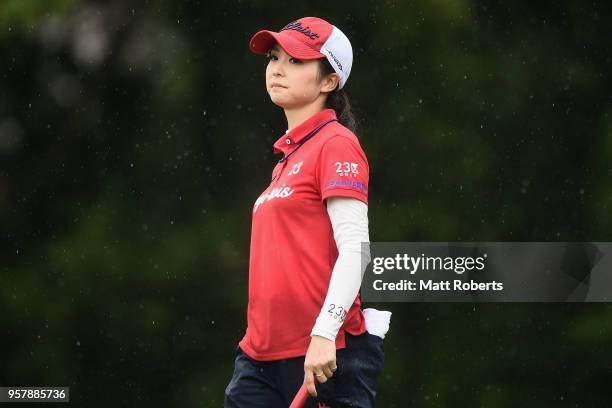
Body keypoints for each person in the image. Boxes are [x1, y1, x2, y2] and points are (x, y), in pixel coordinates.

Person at [224, 16, 386, 408]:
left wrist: (325, 333)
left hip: (324, 357)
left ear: (329, 81)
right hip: (259, 359)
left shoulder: (336, 144)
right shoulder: (287, 158)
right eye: (274, 57)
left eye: (296, 61)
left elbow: (356, 249)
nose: (277, 68)